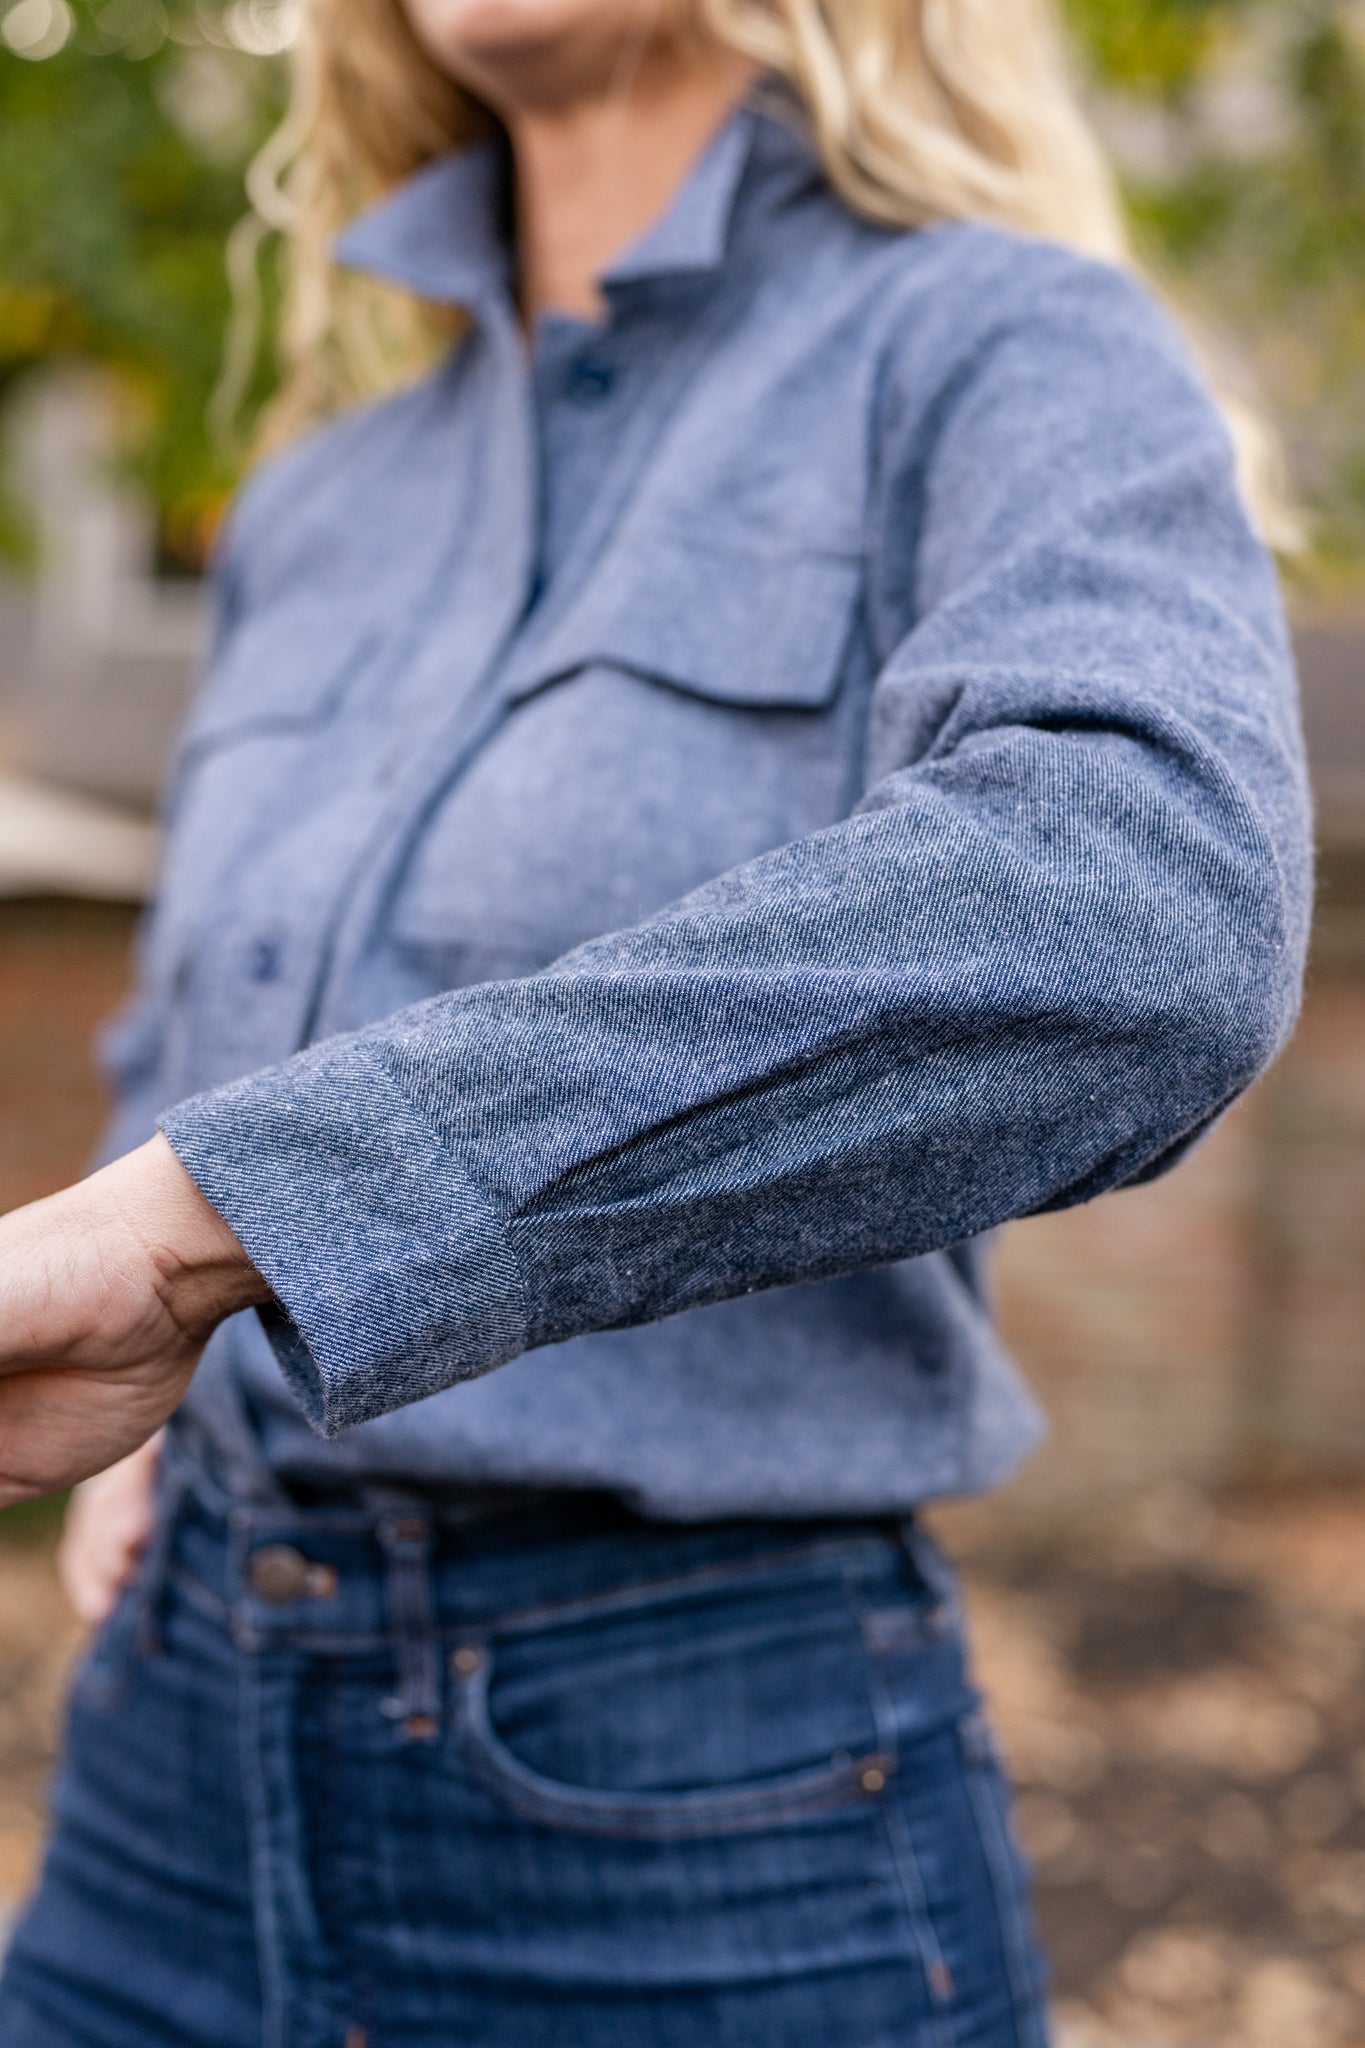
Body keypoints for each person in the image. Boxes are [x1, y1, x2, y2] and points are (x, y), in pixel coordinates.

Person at [0, 0, 1311, 2032]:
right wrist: (148, 1389)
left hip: (687, 1790)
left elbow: (1134, 912)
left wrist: (210, 1224)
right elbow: (207, 1006)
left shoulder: (993, 353)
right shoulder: (320, 501)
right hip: (166, 1763)